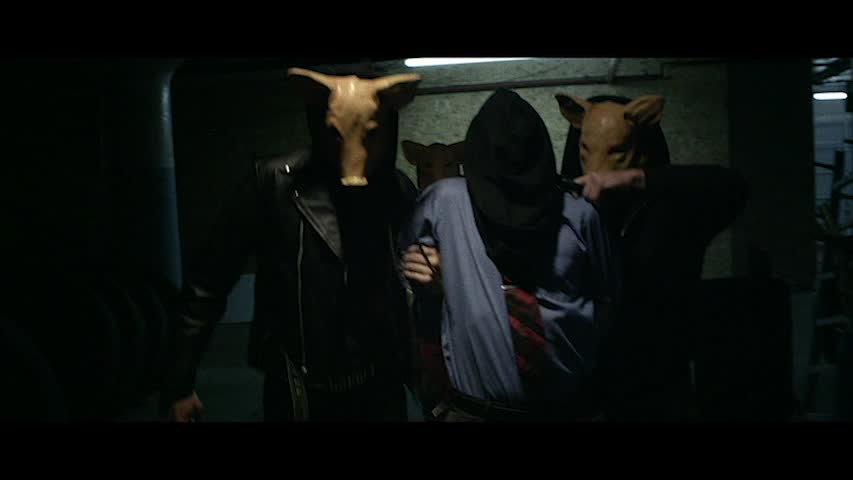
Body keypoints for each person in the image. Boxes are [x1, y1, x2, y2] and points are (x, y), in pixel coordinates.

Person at [160, 66, 421, 422]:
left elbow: (412, 278)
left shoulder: (396, 189)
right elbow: (208, 282)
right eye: (335, 135)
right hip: (299, 388)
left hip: (379, 384)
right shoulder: (273, 184)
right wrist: (179, 383)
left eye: (372, 135)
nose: (355, 154)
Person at [400, 89, 620, 421]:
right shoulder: (446, 203)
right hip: (475, 411)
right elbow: (409, 265)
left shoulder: (579, 214)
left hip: (569, 410)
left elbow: (607, 298)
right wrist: (435, 283)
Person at [558, 94, 749, 420]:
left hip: (658, 388)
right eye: (587, 150)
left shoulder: (675, 211)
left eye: (617, 152)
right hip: (589, 388)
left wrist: (638, 179)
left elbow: (734, 186)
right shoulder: (570, 213)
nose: (597, 170)